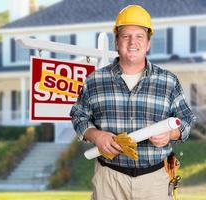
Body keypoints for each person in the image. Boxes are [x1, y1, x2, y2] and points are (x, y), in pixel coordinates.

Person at [70, 4, 196, 200]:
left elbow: (187, 119)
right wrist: (95, 135)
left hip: (155, 180)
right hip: (108, 179)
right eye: (125, 36)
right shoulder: (95, 80)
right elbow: (78, 115)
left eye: (139, 36)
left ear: (148, 43)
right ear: (116, 42)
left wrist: (171, 133)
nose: (132, 42)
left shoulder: (168, 81)